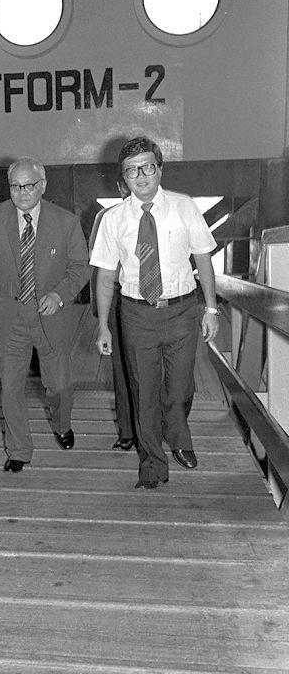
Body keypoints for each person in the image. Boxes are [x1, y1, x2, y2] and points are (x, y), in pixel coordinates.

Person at [91, 137, 219, 489]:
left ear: (159, 169)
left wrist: (210, 308)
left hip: (182, 312)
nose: (141, 175)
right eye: (132, 170)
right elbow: (105, 277)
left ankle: (177, 435)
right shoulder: (113, 220)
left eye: (148, 167)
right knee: (143, 392)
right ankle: (152, 464)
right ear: (123, 177)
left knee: (179, 390)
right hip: (136, 315)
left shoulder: (184, 206)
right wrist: (103, 325)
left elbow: (204, 259)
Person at [0, 157, 90, 472]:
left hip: (51, 316)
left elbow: (81, 268)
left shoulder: (66, 222)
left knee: (60, 385)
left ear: (43, 186)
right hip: (8, 316)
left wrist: (59, 294)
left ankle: (61, 422)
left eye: (28, 185)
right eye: (15, 186)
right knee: (10, 387)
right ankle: (18, 450)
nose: (21, 192)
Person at [89, 206, 135, 451]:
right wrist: (101, 317)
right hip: (119, 293)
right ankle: (127, 431)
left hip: (157, 297)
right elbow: (97, 262)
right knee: (121, 366)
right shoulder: (107, 218)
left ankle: (154, 427)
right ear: (120, 185)